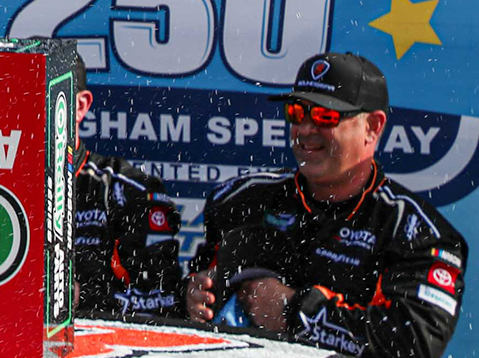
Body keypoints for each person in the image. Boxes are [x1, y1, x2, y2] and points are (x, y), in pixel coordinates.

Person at [185, 53, 467, 356]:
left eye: (325, 116)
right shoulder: (241, 199)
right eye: (296, 112)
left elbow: (413, 343)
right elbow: (189, 297)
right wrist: (193, 296)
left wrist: (296, 311)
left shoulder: (417, 231)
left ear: (373, 126)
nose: (305, 129)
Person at [67, 52, 184, 316]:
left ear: (80, 106)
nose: (31, 107)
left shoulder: (131, 190)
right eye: (21, 95)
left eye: (47, 96)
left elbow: (160, 303)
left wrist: (76, 294)